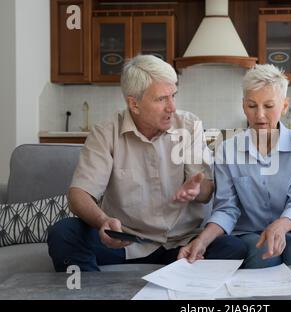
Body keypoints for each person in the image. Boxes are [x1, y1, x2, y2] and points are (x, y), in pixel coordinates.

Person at [47, 55, 247, 272]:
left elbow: (206, 191)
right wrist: (102, 221)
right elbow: (79, 194)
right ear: (134, 104)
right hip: (127, 242)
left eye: (173, 96)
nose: (172, 107)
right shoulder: (106, 133)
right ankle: (93, 295)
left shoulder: (189, 126)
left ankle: (179, 274)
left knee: (234, 248)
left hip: (183, 241)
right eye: (161, 99)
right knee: (63, 233)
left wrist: (197, 189)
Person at [178, 64, 291, 268]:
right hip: (249, 234)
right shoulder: (227, 150)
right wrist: (202, 240)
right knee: (264, 256)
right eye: (252, 106)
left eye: (269, 106)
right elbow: (226, 208)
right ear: (244, 106)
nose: (260, 115)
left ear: (284, 105)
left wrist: (280, 225)